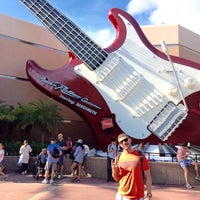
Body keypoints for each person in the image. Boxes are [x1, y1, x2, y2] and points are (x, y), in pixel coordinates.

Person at [112, 133, 152, 200]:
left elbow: (148, 176)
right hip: (122, 196)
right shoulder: (118, 157)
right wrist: (114, 170)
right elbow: (116, 178)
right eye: (121, 142)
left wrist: (149, 194)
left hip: (138, 196)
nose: (124, 142)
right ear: (120, 145)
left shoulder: (140, 156)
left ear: (130, 140)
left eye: (125, 140)